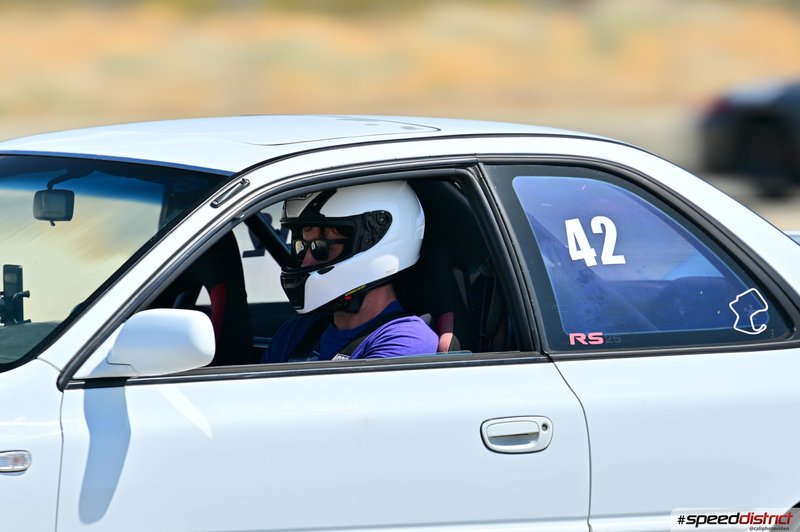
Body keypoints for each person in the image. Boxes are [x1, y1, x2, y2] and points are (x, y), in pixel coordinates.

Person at [262, 181, 439, 363]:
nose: (306, 261)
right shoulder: (295, 333)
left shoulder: (405, 342)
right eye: (303, 247)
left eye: (320, 249)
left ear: (372, 245)